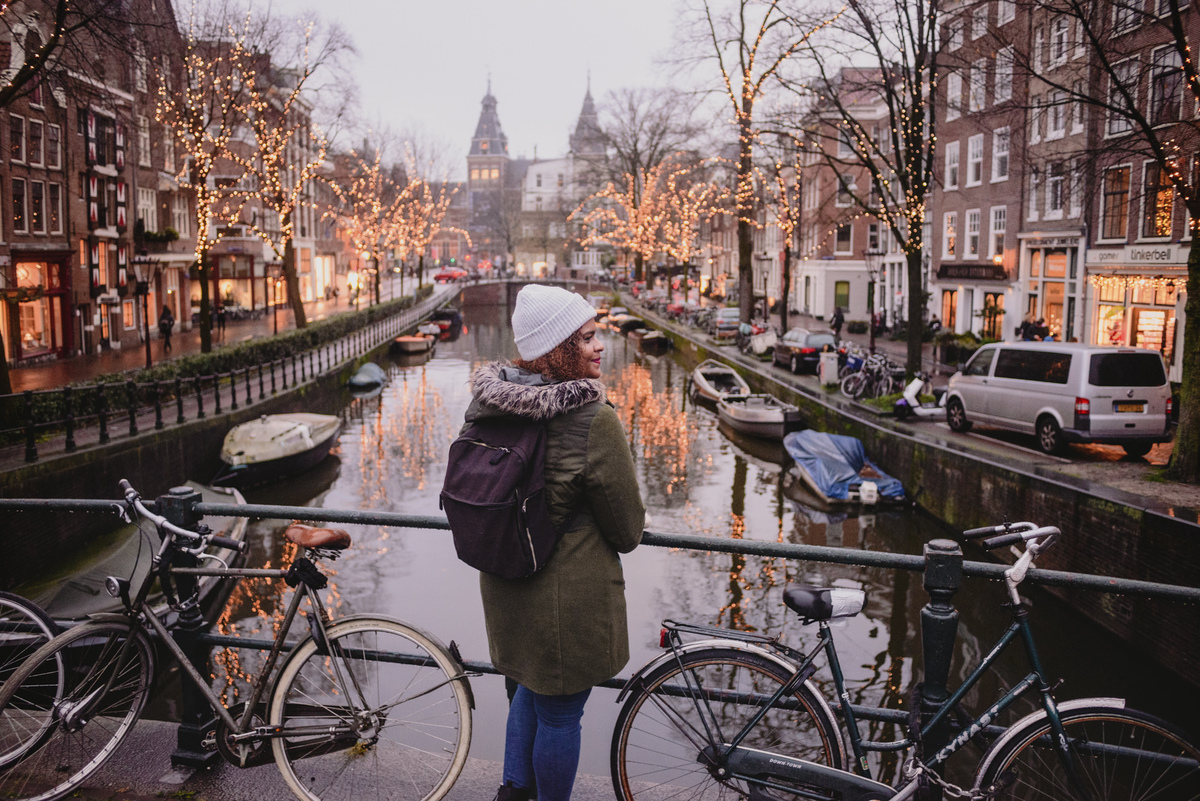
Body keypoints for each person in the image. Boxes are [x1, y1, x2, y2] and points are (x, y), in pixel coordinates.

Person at [459, 284, 645, 801]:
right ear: (558, 347)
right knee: (561, 714)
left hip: (504, 581)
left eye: (597, 335)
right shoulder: (593, 420)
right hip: (565, 598)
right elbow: (628, 530)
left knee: (525, 689)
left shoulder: (487, 405)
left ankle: (513, 793)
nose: (599, 346)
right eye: (586, 338)